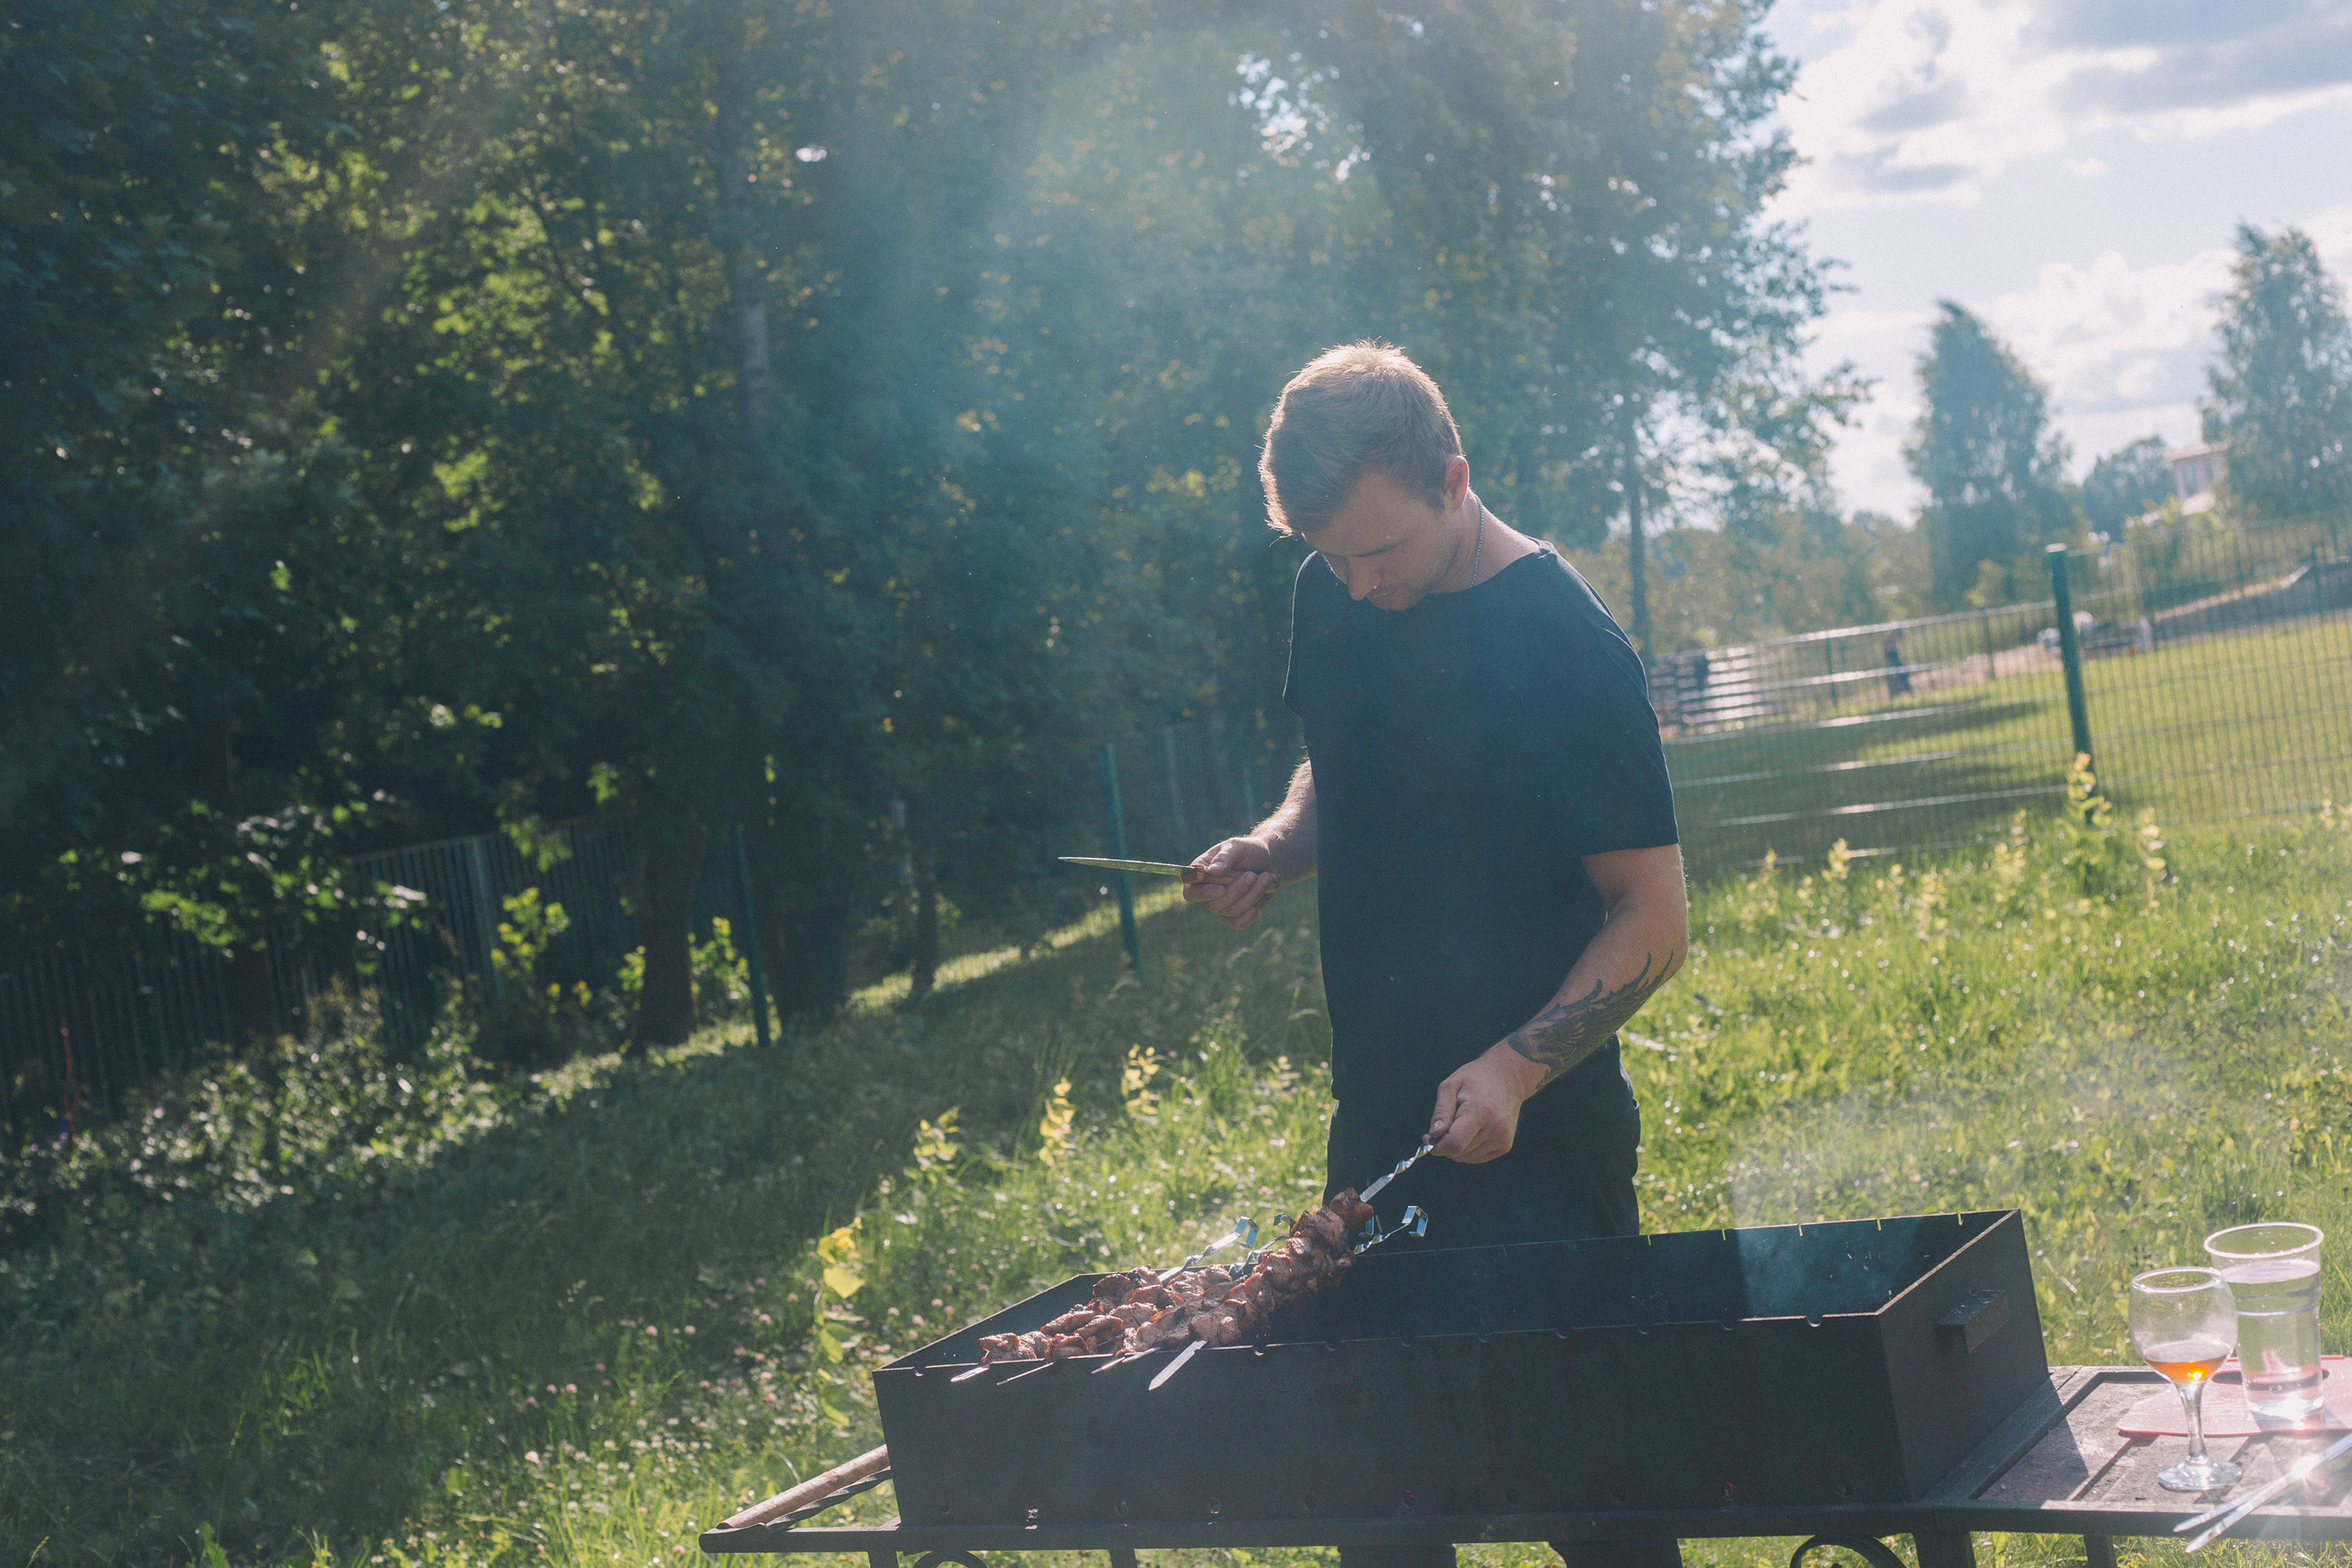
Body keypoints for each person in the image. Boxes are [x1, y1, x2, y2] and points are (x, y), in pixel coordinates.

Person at [1183, 344, 1688, 1568]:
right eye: (1330, 556)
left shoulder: (1565, 643)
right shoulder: (1333, 592)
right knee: (1385, 1516)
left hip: (1544, 1136)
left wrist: (1515, 1071)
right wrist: (1274, 843)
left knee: (1601, 1507)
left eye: (1380, 552)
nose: (1356, 585)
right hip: (1380, 1125)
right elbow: (1340, 776)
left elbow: (1654, 918)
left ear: (1454, 480)